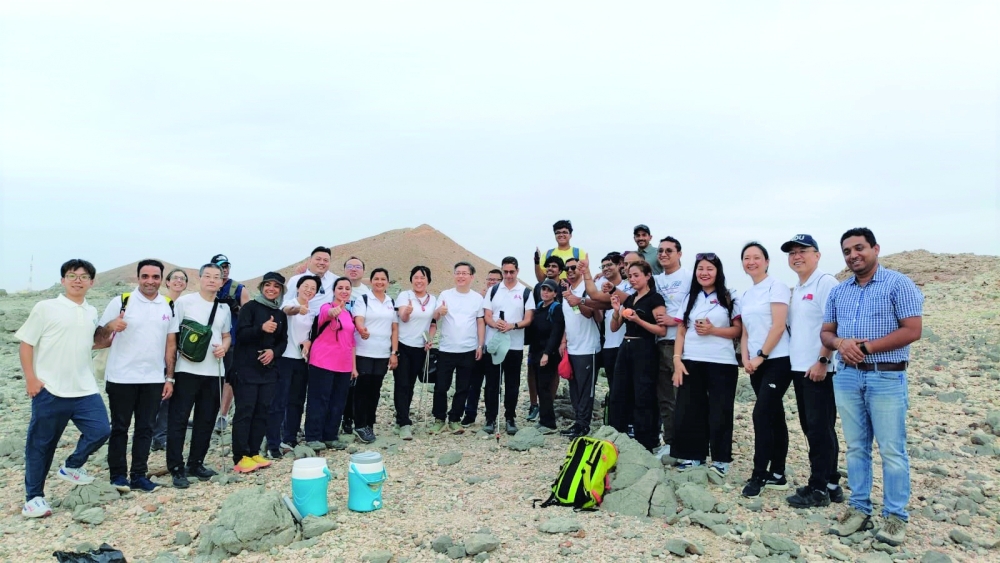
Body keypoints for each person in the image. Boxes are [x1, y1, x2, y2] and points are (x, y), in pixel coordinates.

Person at [823, 228, 923, 546]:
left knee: (892, 450)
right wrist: (840, 342)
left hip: (886, 377)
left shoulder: (898, 284)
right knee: (856, 447)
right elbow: (826, 331)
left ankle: (896, 517)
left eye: (859, 248)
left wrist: (866, 348)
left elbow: (912, 329)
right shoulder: (840, 291)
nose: (853, 255)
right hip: (848, 377)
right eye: (847, 251)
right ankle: (859, 509)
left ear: (875, 249)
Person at [17, 259, 112, 518]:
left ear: (92, 282)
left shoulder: (91, 311)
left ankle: (73, 465)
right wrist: (31, 379)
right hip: (50, 388)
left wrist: (111, 332)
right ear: (63, 280)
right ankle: (33, 498)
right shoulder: (45, 307)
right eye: (72, 275)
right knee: (41, 445)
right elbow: (26, 344)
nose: (77, 280)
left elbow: (85, 344)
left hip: (84, 388)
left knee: (101, 430)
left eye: (83, 276)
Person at [99, 259, 177, 493]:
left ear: (161, 279)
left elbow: (170, 344)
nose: (150, 281)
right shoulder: (122, 301)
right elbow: (98, 339)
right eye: (145, 276)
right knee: (120, 428)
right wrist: (111, 325)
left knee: (145, 429)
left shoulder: (167, 305)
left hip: (153, 379)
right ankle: (118, 476)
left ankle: (139, 476)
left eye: (155, 277)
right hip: (121, 377)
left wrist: (169, 378)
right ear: (138, 277)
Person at [779, 235, 843, 508]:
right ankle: (831, 482)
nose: (797, 256)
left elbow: (836, 323)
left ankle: (818, 489)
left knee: (819, 428)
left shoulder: (825, 282)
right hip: (800, 368)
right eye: (792, 252)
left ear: (817, 255)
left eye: (802, 251)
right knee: (813, 427)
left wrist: (823, 360)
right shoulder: (799, 286)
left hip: (819, 368)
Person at [670, 253, 743, 476]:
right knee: (691, 409)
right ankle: (694, 456)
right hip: (691, 360)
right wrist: (677, 361)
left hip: (722, 362)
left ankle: (721, 459)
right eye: (700, 268)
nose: (704, 273)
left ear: (718, 272)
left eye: (710, 269)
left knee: (720, 410)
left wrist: (713, 331)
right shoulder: (689, 298)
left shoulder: (730, 297)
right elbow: (680, 332)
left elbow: (737, 330)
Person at [167, 263, 232, 489]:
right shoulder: (185, 302)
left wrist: (224, 347)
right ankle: (175, 467)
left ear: (222, 282)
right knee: (179, 419)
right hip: (187, 369)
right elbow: (173, 336)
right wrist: (170, 372)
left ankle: (196, 463)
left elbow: (226, 335)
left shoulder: (224, 308)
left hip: (214, 370)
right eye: (208, 276)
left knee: (205, 419)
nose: (212, 280)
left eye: (217, 277)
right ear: (200, 279)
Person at [738, 242, 794, 499]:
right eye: (746, 258)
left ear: (767, 261)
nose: (751, 262)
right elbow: (746, 331)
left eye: (756, 257)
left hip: (777, 361)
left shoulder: (776, 286)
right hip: (755, 364)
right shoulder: (747, 295)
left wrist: (761, 356)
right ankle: (779, 473)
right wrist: (746, 357)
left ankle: (759, 473)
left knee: (761, 415)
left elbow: (779, 327)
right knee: (774, 416)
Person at [231, 273, 288, 473]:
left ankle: (254, 451)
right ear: (262, 287)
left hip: (268, 371)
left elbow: (283, 341)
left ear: (281, 290)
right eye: (268, 285)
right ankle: (240, 456)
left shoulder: (280, 314)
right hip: (246, 369)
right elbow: (241, 335)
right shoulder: (249, 308)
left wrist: (274, 352)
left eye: (276, 287)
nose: (271, 289)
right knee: (245, 412)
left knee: (262, 411)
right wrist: (261, 328)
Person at [609, 261, 666, 451]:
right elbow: (614, 327)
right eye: (630, 276)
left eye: (636, 275)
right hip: (626, 345)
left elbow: (661, 330)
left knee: (643, 394)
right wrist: (617, 310)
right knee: (619, 391)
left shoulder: (655, 299)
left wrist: (638, 320)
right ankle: (618, 434)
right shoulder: (629, 299)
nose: (632, 280)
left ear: (648, 276)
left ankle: (647, 440)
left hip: (645, 347)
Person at [481, 257, 535, 435]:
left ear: (517, 271)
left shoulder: (526, 292)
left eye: (512, 271)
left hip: (514, 346)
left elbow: (529, 318)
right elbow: (487, 315)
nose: (509, 275)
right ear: (502, 271)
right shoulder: (494, 290)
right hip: (494, 344)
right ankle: (490, 418)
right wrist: (495, 323)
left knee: (512, 384)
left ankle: (510, 418)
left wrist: (513, 325)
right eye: (505, 272)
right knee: (492, 383)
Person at [268, 275, 320, 457]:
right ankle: (273, 441)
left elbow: (308, 334)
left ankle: (290, 436)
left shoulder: (313, 311)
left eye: (313, 288)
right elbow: (287, 311)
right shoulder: (289, 303)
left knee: (297, 400)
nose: (308, 290)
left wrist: (307, 343)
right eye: (305, 286)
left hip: (301, 360)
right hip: (284, 358)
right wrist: (298, 309)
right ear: (298, 288)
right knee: (279, 400)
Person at [303, 277, 357, 451]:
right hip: (322, 361)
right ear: (334, 291)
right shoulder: (326, 307)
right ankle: (313, 436)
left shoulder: (349, 314)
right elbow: (328, 315)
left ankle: (330, 435)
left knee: (338, 401)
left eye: (347, 288)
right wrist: (334, 311)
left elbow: (352, 342)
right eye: (340, 288)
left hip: (344, 364)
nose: (344, 291)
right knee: (319, 399)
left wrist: (353, 367)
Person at [431, 262, 485, 434]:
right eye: (458, 273)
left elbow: (480, 322)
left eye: (464, 273)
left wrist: (480, 345)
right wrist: (439, 310)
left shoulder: (477, 298)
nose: (461, 276)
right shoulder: (445, 294)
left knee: (463, 387)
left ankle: (455, 418)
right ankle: (439, 419)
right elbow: (435, 317)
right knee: (441, 386)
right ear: (454, 275)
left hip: (468, 349)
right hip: (446, 349)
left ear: (471, 277)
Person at [580, 252, 631, 427]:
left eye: (610, 265)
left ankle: (630, 426)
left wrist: (585, 274)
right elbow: (598, 305)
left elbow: (596, 298)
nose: (606, 269)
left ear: (620, 265)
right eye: (603, 266)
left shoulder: (628, 286)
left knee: (628, 388)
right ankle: (617, 426)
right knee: (614, 388)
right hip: (609, 344)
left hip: (626, 344)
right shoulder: (602, 284)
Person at [651, 237, 690, 458]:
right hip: (658, 342)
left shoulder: (688, 277)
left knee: (682, 395)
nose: (664, 254)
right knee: (664, 395)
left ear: (679, 253)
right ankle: (671, 441)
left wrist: (674, 320)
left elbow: (697, 304)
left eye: (669, 250)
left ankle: (688, 444)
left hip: (681, 343)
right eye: (661, 251)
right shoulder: (656, 280)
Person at [351, 268, 399, 443]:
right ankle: (359, 424)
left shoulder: (390, 302)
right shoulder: (363, 299)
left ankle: (369, 423)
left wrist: (394, 352)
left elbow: (394, 328)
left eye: (383, 279)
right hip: (364, 350)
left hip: (382, 352)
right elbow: (358, 319)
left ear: (387, 282)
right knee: (361, 389)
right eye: (376, 278)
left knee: (375, 390)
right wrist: (361, 329)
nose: (380, 282)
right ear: (371, 281)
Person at [559, 257, 601, 438]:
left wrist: (577, 301)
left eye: (573, 267)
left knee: (585, 389)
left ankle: (584, 425)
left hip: (588, 348)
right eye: (566, 268)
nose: (569, 270)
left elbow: (592, 313)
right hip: (573, 347)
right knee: (574, 389)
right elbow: (569, 321)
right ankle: (578, 422)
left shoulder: (587, 289)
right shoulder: (568, 290)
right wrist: (563, 341)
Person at [394, 266, 438, 440]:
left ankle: (400, 418)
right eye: (416, 277)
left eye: (423, 277)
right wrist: (407, 311)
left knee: (411, 384)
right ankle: (404, 423)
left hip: (420, 348)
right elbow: (402, 318)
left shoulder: (433, 299)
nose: (419, 280)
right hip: (403, 344)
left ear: (428, 281)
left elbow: (433, 323)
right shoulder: (405, 296)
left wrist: (430, 339)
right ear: (411, 279)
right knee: (402, 383)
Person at [210, 254, 250, 434]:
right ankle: (209, 412)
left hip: (232, 340)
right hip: (210, 340)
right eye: (221, 266)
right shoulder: (209, 286)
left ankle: (223, 415)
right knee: (210, 377)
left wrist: (237, 308)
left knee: (230, 378)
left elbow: (250, 316)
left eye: (226, 266)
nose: (224, 269)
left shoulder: (238, 288)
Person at [152, 267, 188, 451]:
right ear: (167, 282)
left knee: (167, 397)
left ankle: (160, 435)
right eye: (175, 278)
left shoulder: (183, 305)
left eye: (183, 279)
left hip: (173, 358)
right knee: (155, 398)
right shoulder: (159, 303)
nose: (179, 281)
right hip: (155, 357)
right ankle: (154, 434)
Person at [525, 255, 565, 421]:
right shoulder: (539, 297)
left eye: (554, 266)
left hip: (549, 347)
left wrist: (550, 351)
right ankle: (537, 408)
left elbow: (558, 328)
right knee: (534, 376)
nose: (545, 292)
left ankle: (548, 415)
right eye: (544, 289)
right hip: (535, 346)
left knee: (547, 380)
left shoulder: (559, 300)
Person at [462, 268, 501, 426]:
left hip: (494, 348)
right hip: (477, 347)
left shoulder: (501, 298)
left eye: (496, 280)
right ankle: (469, 413)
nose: (492, 282)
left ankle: (491, 417)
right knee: (473, 383)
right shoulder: (478, 298)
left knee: (493, 384)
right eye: (490, 279)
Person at [341, 256, 371, 436]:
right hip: (339, 342)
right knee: (342, 383)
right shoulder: (338, 287)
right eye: (350, 266)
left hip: (359, 344)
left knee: (356, 383)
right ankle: (341, 417)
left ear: (363, 271)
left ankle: (351, 418)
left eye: (358, 267)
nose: (353, 269)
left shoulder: (366, 293)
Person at [283, 246, 337, 314]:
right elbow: (285, 304)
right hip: (302, 320)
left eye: (325, 260)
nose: (322, 262)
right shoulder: (296, 280)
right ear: (310, 260)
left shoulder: (335, 280)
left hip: (324, 321)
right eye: (318, 259)